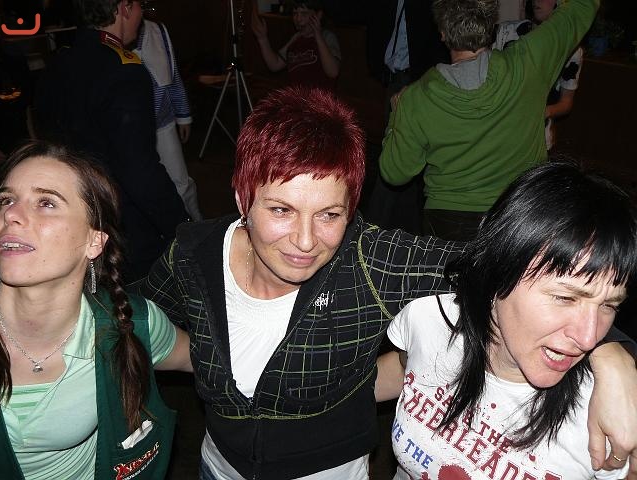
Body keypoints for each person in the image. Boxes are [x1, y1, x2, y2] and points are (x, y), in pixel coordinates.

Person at [137, 86, 637, 480]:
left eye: (330, 214)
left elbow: (509, 267)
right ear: (242, 197)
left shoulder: (371, 260)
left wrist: (614, 355)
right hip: (216, 466)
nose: (306, 241)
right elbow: (133, 318)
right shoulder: (193, 254)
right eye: (282, 210)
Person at [376, 162, 637, 478]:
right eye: (565, 298)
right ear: (497, 270)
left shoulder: (606, 418)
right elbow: (404, 369)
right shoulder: (428, 317)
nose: (588, 338)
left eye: (608, 305)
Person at [0, 141, 193, 479]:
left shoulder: (130, 324)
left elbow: (206, 363)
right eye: (5, 200)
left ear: (93, 241)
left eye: (46, 203)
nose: (10, 214)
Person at [379, 0, 598, 242]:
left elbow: (394, 173)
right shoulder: (529, 60)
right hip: (518, 213)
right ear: (492, 25)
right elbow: (582, 7)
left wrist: (397, 117)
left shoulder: (415, 98)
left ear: (442, 33)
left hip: (449, 223)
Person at [34, 0, 189, 281]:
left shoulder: (59, 62)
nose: (142, 14)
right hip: (122, 227)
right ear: (124, 8)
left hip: (74, 213)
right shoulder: (124, 71)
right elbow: (139, 170)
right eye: (139, 5)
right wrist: (182, 225)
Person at [364, 0, 449, 234]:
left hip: (417, 80)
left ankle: (372, 229)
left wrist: (423, 82)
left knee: (398, 155)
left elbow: (432, 42)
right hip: (394, 79)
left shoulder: (426, 5)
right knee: (403, 158)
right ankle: (404, 232)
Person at [133, 16, 204, 221]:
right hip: (132, 130)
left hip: (163, 123)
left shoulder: (157, 31)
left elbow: (172, 76)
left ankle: (195, 224)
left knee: (181, 182)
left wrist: (183, 115)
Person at [494, 0, 583, 151]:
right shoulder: (507, 32)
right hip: (499, 133)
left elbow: (566, 103)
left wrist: (543, 112)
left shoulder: (571, 49)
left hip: (536, 138)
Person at [251, 0, 341, 91]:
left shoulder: (327, 37)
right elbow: (275, 64)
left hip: (319, 98)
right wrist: (262, 39)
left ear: (318, 15)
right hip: (297, 96)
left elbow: (333, 72)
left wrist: (317, 35)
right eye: (295, 14)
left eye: (304, 13)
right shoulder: (296, 38)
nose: (298, 19)